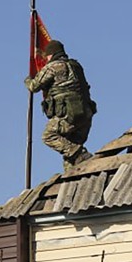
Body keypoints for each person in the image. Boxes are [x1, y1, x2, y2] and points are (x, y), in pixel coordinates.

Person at [25, 40, 97, 170]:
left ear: (51, 54)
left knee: (49, 136)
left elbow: (34, 86)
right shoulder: (76, 66)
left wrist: (28, 79)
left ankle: (80, 153)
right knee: (71, 158)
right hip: (85, 116)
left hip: (69, 116)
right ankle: (75, 177)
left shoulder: (54, 66)